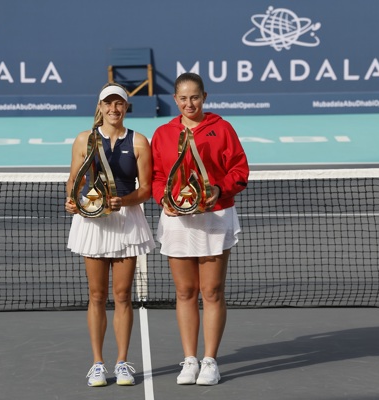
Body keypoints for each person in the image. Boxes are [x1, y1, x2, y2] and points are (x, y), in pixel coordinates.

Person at [150, 72, 249, 386]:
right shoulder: (163, 133)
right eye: (183, 98)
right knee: (185, 292)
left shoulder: (222, 129)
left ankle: (210, 361)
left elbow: (240, 170)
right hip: (177, 220)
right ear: (175, 100)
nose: (189, 103)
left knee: (212, 291)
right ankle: (189, 359)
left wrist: (218, 190)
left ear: (204, 97)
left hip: (214, 218)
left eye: (195, 97)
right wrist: (162, 199)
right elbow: (155, 176)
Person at [65, 82, 155, 387]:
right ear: (100, 107)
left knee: (123, 296)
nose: (114, 109)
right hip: (93, 223)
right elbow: (73, 179)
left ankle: (123, 362)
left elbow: (146, 189)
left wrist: (124, 201)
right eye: (108, 104)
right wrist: (73, 200)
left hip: (127, 222)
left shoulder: (140, 142)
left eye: (120, 104)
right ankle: (98, 364)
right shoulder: (83, 140)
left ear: (126, 108)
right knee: (96, 295)